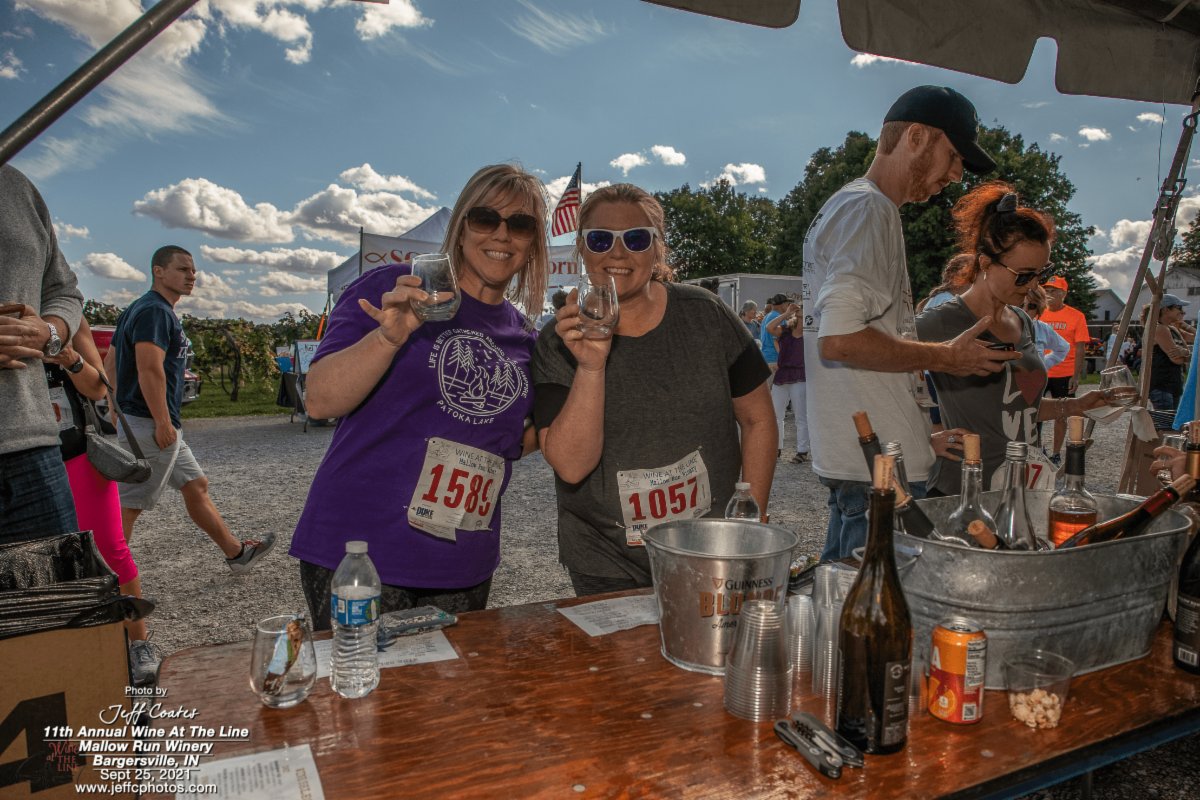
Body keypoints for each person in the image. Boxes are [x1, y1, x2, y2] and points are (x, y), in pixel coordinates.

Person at [289, 164, 548, 627]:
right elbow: (319, 400)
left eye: (522, 224)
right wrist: (388, 340)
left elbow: (523, 437)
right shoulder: (392, 291)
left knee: (447, 701)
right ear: (461, 226)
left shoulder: (526, 339)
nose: (503, 234)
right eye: (486, 218)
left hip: (462, 563)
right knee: (358, 693)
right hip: (361, 553)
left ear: (533, 245)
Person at [801, 84, 1017, 561]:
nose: (957, 174)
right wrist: (948, 357)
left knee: (845, 610)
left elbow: (859, 340)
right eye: (955, 156)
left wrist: (922, 436)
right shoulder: (869, 208)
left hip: (870, 461)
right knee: (880, 624)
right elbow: (838, 340)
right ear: (916, 136)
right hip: (879, 474)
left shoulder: (857, 206)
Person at [533, 184, 776, 596]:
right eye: (599, 239)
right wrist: (591, 365)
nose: (617, 252)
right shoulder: (558, 339)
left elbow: (758, 420)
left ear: (658, 249)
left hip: (708, 546)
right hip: (605, 559)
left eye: (636, 238)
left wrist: (749, 524)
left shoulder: (707, 315)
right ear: (581, 249)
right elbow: (570, 466)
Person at [916, 183, 1106, 494]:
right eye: (1023, 275)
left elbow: (1022, 410)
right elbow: (875, 375)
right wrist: (922, 440)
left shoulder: (1022, 321)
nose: (1033, 286)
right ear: (985, 263)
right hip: (963, 492)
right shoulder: (943, 321)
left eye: (1040, 274)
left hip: (1022, 488)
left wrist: (1077, 405)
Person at [107, 246, 275, 573]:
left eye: (193, 271)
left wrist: (113, 406)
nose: (191, 276)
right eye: (183, 269)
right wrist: (161, 421)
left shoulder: (137, 309)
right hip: (152, 424)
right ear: (159, 271)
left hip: (147, 421)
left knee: (195, 485)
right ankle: (108, 580)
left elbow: (111, 362)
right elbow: (150, 369)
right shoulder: (155, 311)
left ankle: (237, 554)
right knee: (128, 506)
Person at [44, 318, 158, 683]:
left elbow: (98, 389)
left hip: (76, 451)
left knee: (110, 547)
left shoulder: (64, 316)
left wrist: (69, 359)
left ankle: (139, 643)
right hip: (20, 455)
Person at [0, 164, 84, 541]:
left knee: (58, 598)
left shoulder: (17, 186)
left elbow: (63, 290)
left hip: (32, 450)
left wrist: (49, 331)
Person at [1039, 275, 1091, 462]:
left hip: (1064, 371)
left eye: (1053, 291)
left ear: (1063, 293)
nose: (1049, 294)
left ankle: (1056, 453)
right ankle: (1036, 449)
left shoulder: (1076, 316)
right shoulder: (1038, 312)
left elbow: (1080, 347)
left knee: (1061, 414)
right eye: (1047, 290)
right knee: (1035, 411)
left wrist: (1076, 376)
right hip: (1041, 370)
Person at [766, 302, 808, 462]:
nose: (800, 315)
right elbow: (769, 328)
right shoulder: (785, 331)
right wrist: (786, 314)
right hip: (782, 375)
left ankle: (802, 451)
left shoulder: (810, 334)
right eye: (798, 313)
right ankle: (776, 448)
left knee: (800, 416)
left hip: (799, 375)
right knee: (776, 415)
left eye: (802, 313)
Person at [1141, 294, 1194, 411]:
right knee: (1166, 425)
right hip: (1162, 384)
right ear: (1166, 309)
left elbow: (1196, 338)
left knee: (1171, 424)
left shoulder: (1172, 329)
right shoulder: (1159, 328)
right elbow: (1176, 359)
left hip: (1173, 384)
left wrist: (1185, 326)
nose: (1181, 312)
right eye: (1179, 308)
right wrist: (1186, 354)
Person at [1022, 284, 1070, 370]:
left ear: (1039, 309)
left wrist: (1044, 365)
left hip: (1035, 381)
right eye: (1021, 305)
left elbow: (1063, 348)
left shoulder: (1042, 328)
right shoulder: (1000, 327)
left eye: (1031, 306)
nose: (1025, 310)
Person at [760, 294, 788, 371]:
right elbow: (776, 341)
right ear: (782, 305)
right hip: (774, 359)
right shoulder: (778, 318)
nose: (788, 306)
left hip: (766, 357)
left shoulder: (767, 316)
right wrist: (784, 359)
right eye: (787, 304)